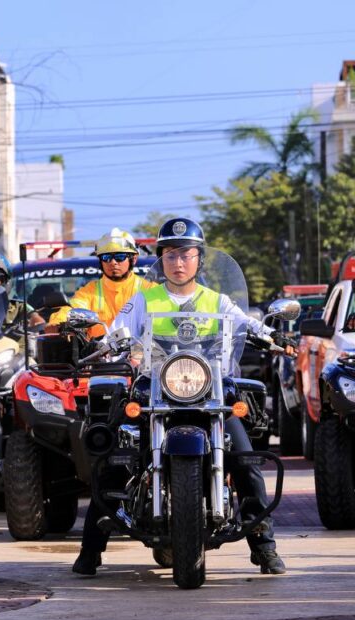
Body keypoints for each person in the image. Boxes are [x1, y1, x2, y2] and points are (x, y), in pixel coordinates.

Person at [72, 217, 288, 577]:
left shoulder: (216, 301)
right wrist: (102, 344)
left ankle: (264, 547)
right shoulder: (145, 299)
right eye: (170, 254)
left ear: (199, 259)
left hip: (208, 390)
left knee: (246, 462)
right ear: (161, 260)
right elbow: (116, 330)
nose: (178, 262)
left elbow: (247, 323)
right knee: (115, 458)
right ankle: (90, 550)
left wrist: (272, 335)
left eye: (186, 254)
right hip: (155, 388)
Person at [48, 228, 148, 337]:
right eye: (106, 257)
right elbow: (72, 309)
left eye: (120, 257)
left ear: (133, 259)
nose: (113, 262)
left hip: (143, 351)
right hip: (99, 352)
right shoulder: (89, 291)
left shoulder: (150, 289)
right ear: (100, 261)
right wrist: (57, 323)